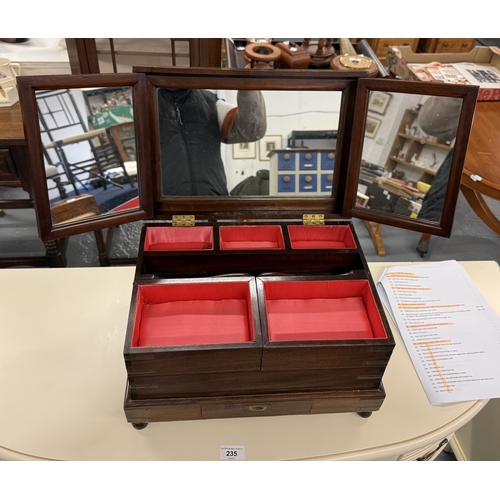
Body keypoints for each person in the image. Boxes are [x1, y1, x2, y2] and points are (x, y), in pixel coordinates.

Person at [158, 89, 267, 196]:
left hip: (213, 204)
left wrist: (247, 85)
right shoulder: (145, 102)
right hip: (162, 208)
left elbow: (252, 130)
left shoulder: (210, 103)